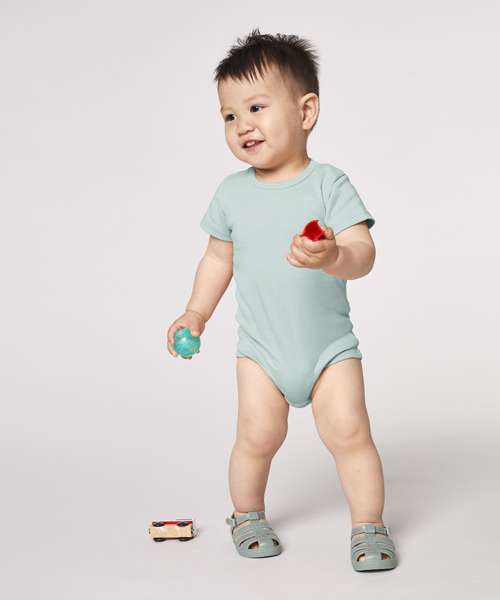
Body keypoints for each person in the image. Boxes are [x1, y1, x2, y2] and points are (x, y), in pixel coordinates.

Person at [166, 29, 398, 571]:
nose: (242, 125)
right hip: (262, 352)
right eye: (229, 115)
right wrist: (196, 312)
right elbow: (217, 260)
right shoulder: (231, 194)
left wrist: (332, 255)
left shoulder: (329, 184)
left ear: (306, 111)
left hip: (328, 349)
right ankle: (247, 514)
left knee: (350, 432)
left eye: (256, 107)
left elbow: (364, 255)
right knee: (257, 435)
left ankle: (369, 525)